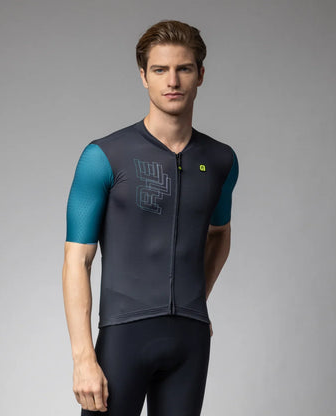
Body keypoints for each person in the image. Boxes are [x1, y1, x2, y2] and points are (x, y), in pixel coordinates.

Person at [62, 20, 239, 416]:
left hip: (190, 341)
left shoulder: (220, 159)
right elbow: (77, 259)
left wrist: (195, 301)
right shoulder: (105, 156)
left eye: (184, 69)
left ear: (200, 74)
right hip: (124, 337)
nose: (172, 81)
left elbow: (219, 234)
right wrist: (83, 358)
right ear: (143, 76)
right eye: (160, 69)